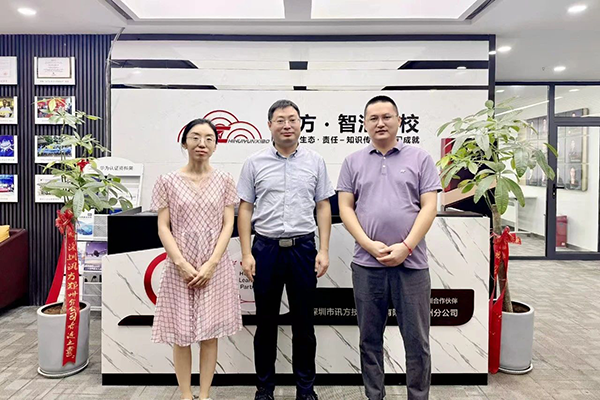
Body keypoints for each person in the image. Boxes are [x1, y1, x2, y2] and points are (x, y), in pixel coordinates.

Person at [337, 95, 441, 400]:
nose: (380, 123)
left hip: (412, 265)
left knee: (417, 341)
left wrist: (406, 247)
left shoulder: (420, 158)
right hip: (367, 265)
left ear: (399, 120)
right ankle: (374, 396)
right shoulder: (353, 161)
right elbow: (345, 207)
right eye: (373, 118)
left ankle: (418, 397)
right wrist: (368, 244)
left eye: (386, 117)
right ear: (365, 124)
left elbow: (429, 206)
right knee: (369, 339)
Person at [237, 99, 335, 400]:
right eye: (280, 120)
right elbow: (245, 209)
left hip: (303, 249)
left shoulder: (315, 161)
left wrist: (324, 249)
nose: (287, 125)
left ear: (301, 124)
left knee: (304, 324)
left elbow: (323, 206)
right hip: (265, 249)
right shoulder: (254, 163)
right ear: (270, 125)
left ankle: (305, 389)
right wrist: (246, 253)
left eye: (292, 119)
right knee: (265, 323)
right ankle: (264, 388)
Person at [150, 118, 242, 400]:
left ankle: (204, 394)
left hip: (215, 263)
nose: (202, 143)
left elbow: (229, 224)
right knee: (181, 335)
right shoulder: (167, 181)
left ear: (215, 145)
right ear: (184, 142)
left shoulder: (225, 180)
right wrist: (180, 263)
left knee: (209, 333)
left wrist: (212, 263)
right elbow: (163, 226)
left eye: (209, 138)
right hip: (180, 263)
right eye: (195, 137)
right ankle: (186, 394)